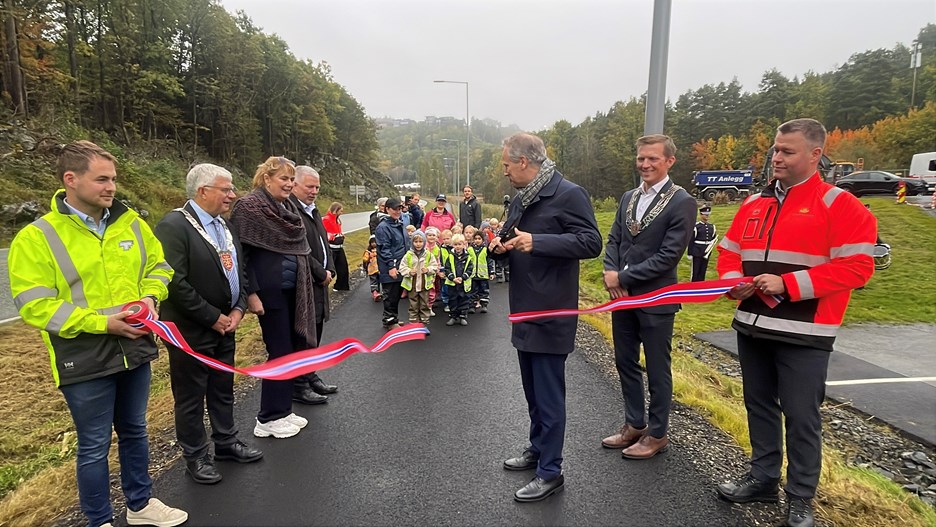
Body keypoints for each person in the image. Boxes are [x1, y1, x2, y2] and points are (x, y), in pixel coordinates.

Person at [8, 140, 187, 527]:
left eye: (114, 179)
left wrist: (151, 297)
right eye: (102, 179)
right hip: (83, 355)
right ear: (70, 180)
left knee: (135, 431)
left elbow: (160, 267)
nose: (111, 187)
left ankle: (140, 505)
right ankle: (98, 520)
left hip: (135, 346)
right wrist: (102, 323)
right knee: (93, 445)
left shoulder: (132, 224)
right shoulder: (37, 237)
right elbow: (34, 305)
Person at [715, 119, 876, 527]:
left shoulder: (840, 205)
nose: (776, 157)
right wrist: (732, 283)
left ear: (815, 155)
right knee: (758, 405)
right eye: (775, 149)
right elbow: (729, 252)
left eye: (787, 151)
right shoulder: (754, 204)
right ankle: (763, 478)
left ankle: (801, 496)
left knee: (802, 416)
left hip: (805, 333)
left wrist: (788, 285)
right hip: (752, 324)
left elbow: (857, 267)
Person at [490, 132, 602, 502]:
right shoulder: (525, 196)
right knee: (533, 392)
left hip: (552, 310)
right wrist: (499, 247)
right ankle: (538, 448)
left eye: (507, 164)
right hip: (523, 308)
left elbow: (590, 242)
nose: (504, 171)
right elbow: (513, 238)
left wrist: (538, 243)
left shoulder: (569, 193)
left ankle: (551, 470)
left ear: (524, 162)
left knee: (550, 394)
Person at [154, 163, 263, 485]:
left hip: (226, 324)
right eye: (225, 189)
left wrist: (239, 309)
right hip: (190, 330)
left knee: (222, 388)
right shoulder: (174, 226)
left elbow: (239, 271)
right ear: (203, 191)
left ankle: (226, 442)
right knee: (190, 396)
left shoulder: (224, 225)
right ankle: (196, 455)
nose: (233, 194)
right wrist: (210, 316)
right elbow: (174, 281)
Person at [601, 134, 696, 460]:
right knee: (624, 361)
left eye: (652, 158)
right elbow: (614, 239)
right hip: (622, 297)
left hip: (657, 299)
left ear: (669, 161)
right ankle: (634, 424)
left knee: (657, 368)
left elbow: (669, 256)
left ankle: (658, 433)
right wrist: (610, 274)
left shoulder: (682, 201)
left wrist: (623, 277)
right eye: (641, 158)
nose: (645, 164)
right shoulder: (629, 197)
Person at [229, 156, 315, 440]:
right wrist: (251, 294)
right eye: (284, 179)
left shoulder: (287, 208)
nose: (290, 184)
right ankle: (267, 417)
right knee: (279, 351)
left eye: (292, 179)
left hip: (294, 291)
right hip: (270, 294)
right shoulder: (249, 208)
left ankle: (282, 408)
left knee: (290, 349)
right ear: (266, 179)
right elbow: (242, 256)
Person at [290, 166, 338, 405]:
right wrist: (321, 272)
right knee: (303, 333)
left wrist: (332, 267)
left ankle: (310, 375)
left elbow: (322, 242)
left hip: (319, 282)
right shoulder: (291, 210)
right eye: (309, 186)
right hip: (304, 283)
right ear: (294, 184)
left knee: (316, 329)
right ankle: (298, 385)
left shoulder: (312, 210)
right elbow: (299, 248)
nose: (314, 191)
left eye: (317, 187)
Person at [375, 196, 408, 327]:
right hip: (390, 267)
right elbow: (384, 248)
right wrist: (391, 266)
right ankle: (388, 320)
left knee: (397, 294)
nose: (398, 211)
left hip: (400, 265)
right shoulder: (383, 227)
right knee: (390, 295)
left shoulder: (399, 224)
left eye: (399, 208)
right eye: (395, 209)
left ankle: (393, 318)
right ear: (387, 209)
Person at [398, 229, 439, 330]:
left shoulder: (428, 255)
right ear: (412, 242)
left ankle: (424, 321)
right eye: (415, 242)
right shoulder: (408, 255)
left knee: (424, 302)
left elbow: (435, 266)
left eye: (420, 241)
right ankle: (414, 321)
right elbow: (402, 267)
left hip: (425, 284)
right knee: (413, 303)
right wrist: (408, 271)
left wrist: (428, 269)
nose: (418, 244)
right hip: (412, 284)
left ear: (424, 242)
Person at [443, 233, 474, 326]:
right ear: (453, 245)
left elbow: (470, 269)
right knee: (453, 300)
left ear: (464, 244)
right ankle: (453, 316)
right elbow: (447, 268)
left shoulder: (468, 257)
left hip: (464, 284)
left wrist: (463, 277)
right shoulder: (450, 256)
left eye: (460, 244)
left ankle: (463, 316)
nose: (458, 247)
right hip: (453, 283)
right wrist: (453, 278)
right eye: (456, 244)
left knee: (464, 299)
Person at [323, 201, 350, 291]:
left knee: (343, 268)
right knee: (330, 269)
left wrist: (340, 235)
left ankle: (340, 286)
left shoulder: (338, 220)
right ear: (336, 210)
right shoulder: (326, 219)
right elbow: (323, 233)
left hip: (339, 247)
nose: (342, 213)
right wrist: (333, 236)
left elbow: (337, 230)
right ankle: (323, 287)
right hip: (331, 248)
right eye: (340, 211)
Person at [688, 206, 718, 282]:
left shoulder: (712, 227)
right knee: (695, 270)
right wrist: (690, 253)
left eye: (708, 214)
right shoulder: (696, 227)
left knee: (703, 270)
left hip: (706, 251)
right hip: (697, 251)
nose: (707, 216)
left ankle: (701, 285)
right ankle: (693, 286)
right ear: (701, 215)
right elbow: (691, 240)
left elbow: (713, 238)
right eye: (705, 214)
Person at [469, 231, 492, 313]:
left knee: (484, 290)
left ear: (483, 240)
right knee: (472, 291)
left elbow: (489, 261)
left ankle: (484, 305)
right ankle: (472, 305)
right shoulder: (470, 249)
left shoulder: (485, 250)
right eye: (475, 239)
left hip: (483, 275)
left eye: (479, 239)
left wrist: (491, 272)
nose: (477, 240)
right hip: (472, 275)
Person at [363, 236, 381, 301]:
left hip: (379, 269)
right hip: (372, 269)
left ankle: (379, 292)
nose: (374, 244)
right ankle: (375, 292)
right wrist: (368, 257)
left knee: (380, 280)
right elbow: (365, 259)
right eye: (372, 242)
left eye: (375, 242)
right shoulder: (368, 252)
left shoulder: (380, 250)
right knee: (374, 281)